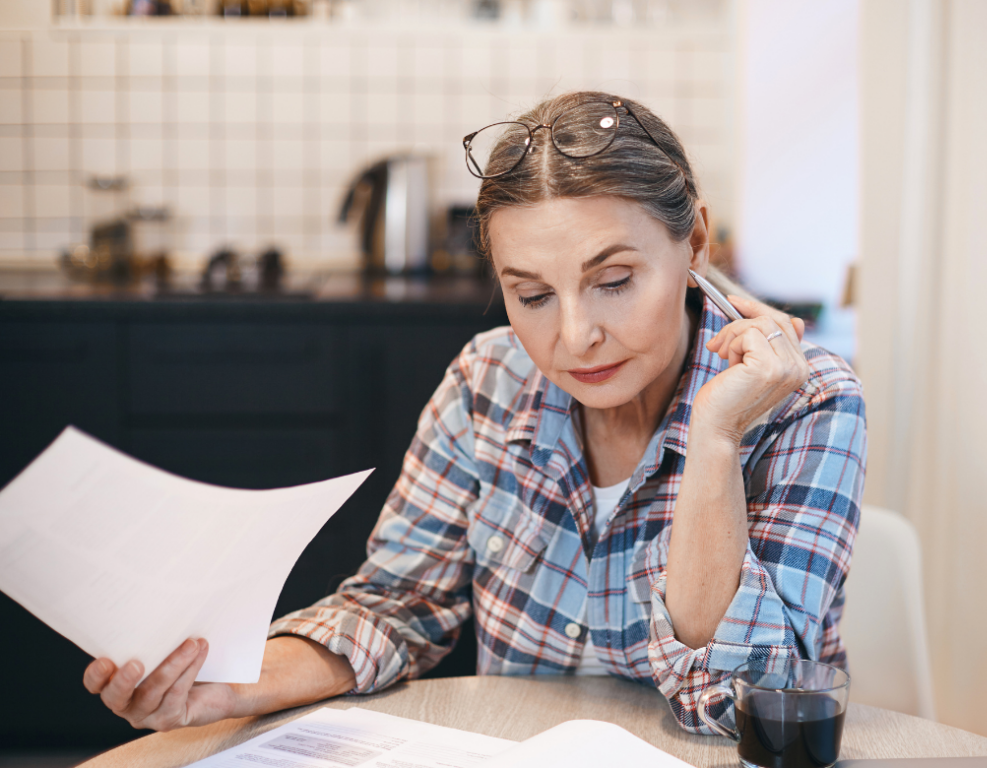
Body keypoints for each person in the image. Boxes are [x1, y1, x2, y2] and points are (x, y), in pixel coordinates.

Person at [82, 91, 866, 735]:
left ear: (694, 241)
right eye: (530, 295)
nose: (574, 336)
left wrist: (715, 439)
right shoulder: (487, 380)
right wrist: (229, 686)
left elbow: (733, 701)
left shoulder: (810, 402)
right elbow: (397, 606)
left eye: (615, 280)